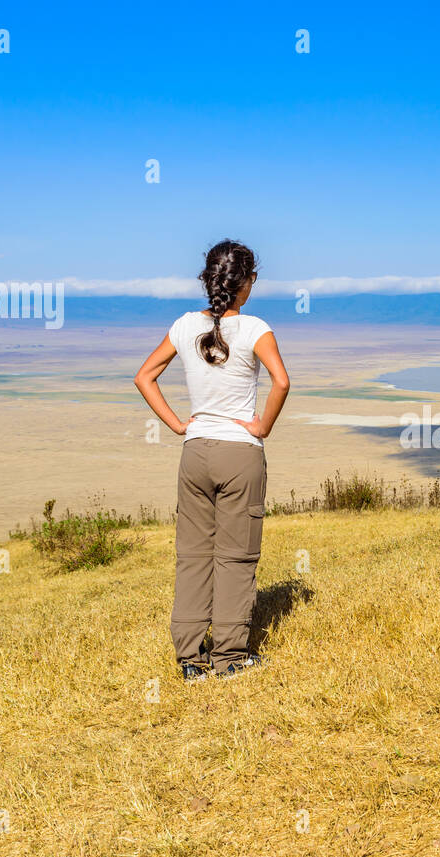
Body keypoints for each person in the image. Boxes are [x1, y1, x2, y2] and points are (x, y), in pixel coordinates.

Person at [133, 240, 291, 681]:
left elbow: (144, 376)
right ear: (246, 282)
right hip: (240, 454)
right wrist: (262, 427)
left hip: (195, 453)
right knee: (236, 556)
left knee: (193, 554)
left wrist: (179, 425)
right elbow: (281, 381)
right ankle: (229, 657)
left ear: (209, 278)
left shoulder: (184, 326)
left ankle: (189, 658)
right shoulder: (256, 328)